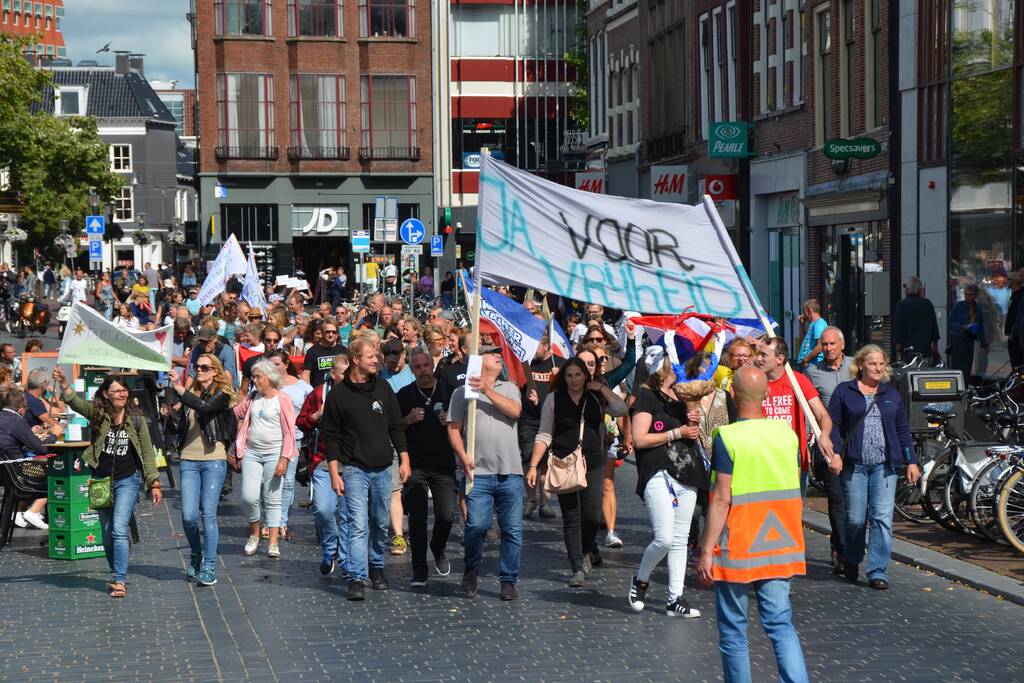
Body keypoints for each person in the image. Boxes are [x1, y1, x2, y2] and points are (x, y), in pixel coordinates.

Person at [697, 366, 809, 683]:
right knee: (780, 625)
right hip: (780, 541)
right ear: (767, 394)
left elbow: (721, 499)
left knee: (734, 630)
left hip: (739, 544)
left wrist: (706, 551)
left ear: (733, 395)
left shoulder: (728, 438)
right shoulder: (787, 436)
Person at [54, 368, 162, 598]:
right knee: (106, 530)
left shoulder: (137, 419)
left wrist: (154, 482)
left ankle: (120, 579)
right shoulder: (97, 413)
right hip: (100, 479)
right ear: (106, 394)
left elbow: (147, 452)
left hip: (128, 479)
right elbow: (75, 402)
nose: (121, 395)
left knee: (120, 528)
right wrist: (63, 382)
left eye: (124, 390)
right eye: (116, 391)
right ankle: (116, 570)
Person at [321, 337, 410, 601]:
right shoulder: (339, 394)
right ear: (355, 360)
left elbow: (396, 426)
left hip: (383, 466)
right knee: (358, 524)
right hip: (353, 468)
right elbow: (331, 436)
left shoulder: (383, 388)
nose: (376, 360)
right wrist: (335, 472)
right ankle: (356, 577)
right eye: (371, 356)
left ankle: (376, 567)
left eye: (376, 356)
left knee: (380, 523)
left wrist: (405, 459)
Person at [527, 357, 626, 587]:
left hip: (593, 462)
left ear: (585, 376)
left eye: (578, 375)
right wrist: (533, 465)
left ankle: (584, 551)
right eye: (569, 375)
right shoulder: (554, 398)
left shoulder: (595, 396)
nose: (574, 380)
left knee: (591, 517)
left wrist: (601, 388)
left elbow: (621, 409)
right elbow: (544, 433)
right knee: (571, 517)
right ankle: (576, 567)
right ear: (564, 377)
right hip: (564, 462)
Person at [828, 345, 921, 588]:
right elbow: (834, 426)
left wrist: (911, 460)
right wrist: (835, 454)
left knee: (882, 518)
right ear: (860, 366)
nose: (878, 368)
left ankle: (878, 571)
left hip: (884, 465)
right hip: (855, 465)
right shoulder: (844, 391)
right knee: (856, 520)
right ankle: (852, 557)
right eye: (873, 364)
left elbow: (902, 429)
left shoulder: (891, 394)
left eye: (881, 364)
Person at [627, 352, 709, 618]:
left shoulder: (683, 396)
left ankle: (675, 598)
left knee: (680, 539)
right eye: (675, 363)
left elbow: (691, 436)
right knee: (663, 538)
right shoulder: (647, 396)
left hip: (687, 470)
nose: (681, 366)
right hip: (657, 469)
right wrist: (677, 432)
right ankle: (640, 578)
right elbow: (639, 439)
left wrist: (693, 425)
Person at [448, 344, 524, 601]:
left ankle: (508, 579)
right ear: (478, 361)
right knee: (476, 526)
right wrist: (462, 455)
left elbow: (515, 411)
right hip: (477, 471)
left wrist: (487, 390)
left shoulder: (509, 387)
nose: (498, 357)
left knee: (512, 529)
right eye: (491, 354)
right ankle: (472, 568)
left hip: (510, 470)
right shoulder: (462, 392)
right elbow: (453, 428)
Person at [165, 358, 236, 586]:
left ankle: (208, 565)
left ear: (215, 371)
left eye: (205, 368)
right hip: (188, 458)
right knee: (187, 516)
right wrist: (173, 412)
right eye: (197, 367)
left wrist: (180, 390)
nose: (200, 371)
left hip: (213, 458)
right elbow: (179, 426)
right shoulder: (188, 394)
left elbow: (205, 408)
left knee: (208, 514)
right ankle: (196, 553)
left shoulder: (222, 394)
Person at [397, 349, 457, 587]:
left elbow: (464, 424)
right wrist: (407, 420)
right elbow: (393, 427)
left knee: (446, 515)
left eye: (425, 366)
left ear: (432, 366)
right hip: (416, 465)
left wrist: (451, 422)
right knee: (418, 519)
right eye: (417, 367)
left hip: (443, 465)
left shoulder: (448, 391)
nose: (423, 371)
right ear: (412, 370)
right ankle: (419, 568)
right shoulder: (404, 395)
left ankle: (439, 546)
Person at [233, 359, 299, 559]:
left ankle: (273, 542)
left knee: (273, 499)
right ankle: (254, 533)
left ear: (270, 377)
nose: (255, 380)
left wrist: (284, 459)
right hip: (252, 452)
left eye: (258, 377)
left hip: (274, 453)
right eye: (253, 377)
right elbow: (236, 413)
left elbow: (289, 432)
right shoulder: (253, 397)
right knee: (249, 496)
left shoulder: (283, 399)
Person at [753, 337, 835, 496]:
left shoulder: (798, 381)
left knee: (793, 517)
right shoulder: (754, 381)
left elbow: (822, 414)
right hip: (763, 461)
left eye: (763, 355)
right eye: (758, 354)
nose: (758, 358)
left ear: (779, 359)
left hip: (794, 463)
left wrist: (824, 436)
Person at [804, 326, 853, 574]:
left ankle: (848, 544)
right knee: (836, 499)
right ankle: (841, 549)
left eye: (832, 344)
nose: (828, 348)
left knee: (853, 500)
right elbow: (806, 409)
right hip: (827, 444)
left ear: (842, 345)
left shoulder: (856, 367)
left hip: (854, 444)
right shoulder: (812, 372)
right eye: (824, 344)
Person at [297, 353, 351, 577]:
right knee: (323, 509)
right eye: (343, 373)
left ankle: (347, 558)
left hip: (350, 461)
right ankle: (330, 547)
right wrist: (316, 416)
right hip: (322, 460)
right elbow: (300, 422)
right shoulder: (319, 393)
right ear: (333, 373)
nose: (348, 377)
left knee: (349, 514)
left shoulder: (357, 392)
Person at [267, 349, 312, 541]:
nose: (273, 368)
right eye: (270, 364)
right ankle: (269, 520)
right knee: (268, 481)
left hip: (294, 438)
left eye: (276, 364)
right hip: (269, 438)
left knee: (286, 482)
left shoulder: (302, 387)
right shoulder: (264, 384)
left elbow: (312, 408)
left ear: (286, 364)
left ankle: (281, 522)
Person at [520, 335, 565, 520]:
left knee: (547, 463)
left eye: (536, 346)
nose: (532, 350)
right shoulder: (525, 363)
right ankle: (530, 501)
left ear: (547, 346)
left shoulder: (560, 364)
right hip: (528, 420)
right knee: (529, 460)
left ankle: (545, 503)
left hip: (551, 420)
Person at [0, 388, 52, 531]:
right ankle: (34, 511)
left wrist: (30, 432)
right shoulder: (17, 420)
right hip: (19, 473)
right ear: (21, 409)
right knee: (56, 476)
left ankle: (19, 513)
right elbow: (40, 449)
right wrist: (53, 436)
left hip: (4, 472)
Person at [892, 276, 941, 362]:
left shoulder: (901, 305)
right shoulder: (927, 304)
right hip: (925, 350)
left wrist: (898, 351)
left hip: (907, 351)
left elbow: (898, 329)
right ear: (919, 290)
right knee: (924, 374)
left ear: (907, 289)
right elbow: (934, 327)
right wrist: (935, 346)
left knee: (908, 374)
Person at [948, 284, 987, 380]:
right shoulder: (958, 306)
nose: (968, 296)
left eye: (970, 294)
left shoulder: (977, 309)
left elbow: (980, 328)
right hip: (958, 339)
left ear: (975, 295)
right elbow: (950, 322)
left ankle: (965, 385)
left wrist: (984, 344)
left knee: (967, 365)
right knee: (958, 365)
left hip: (969, 339)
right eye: (966, 294)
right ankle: (958, 386)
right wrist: (961, 327)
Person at [302, 318, 346, 387]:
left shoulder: (343, 351)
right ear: (322, 333)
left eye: (333, 332)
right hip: (319, 392)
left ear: (337, 334)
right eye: (328, 332)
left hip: (340, 391)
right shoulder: (312, 351)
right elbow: (306, 373)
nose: (331, 334)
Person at [796, 298, 828, 367]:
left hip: (812, 365)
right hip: (806, 365)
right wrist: (802, 325)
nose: (803, 314)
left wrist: (806, 359)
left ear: (809, 310)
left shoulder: (819, 323)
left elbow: (820, 346)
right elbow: (803, 342)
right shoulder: (812, 324)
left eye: (804, 311)